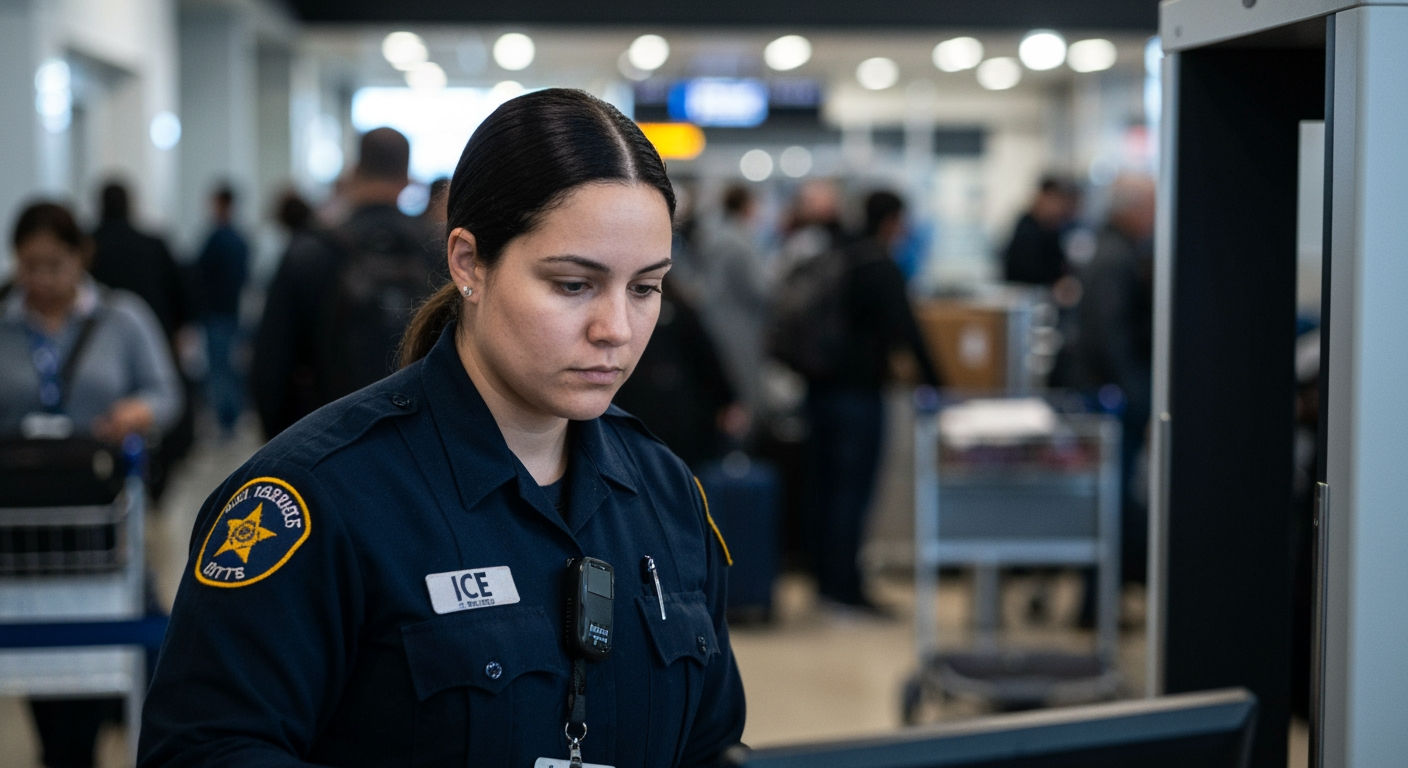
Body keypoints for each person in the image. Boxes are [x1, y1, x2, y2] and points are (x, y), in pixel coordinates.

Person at [138, 89, 745, 767]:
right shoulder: (319, 499)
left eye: (645, 287)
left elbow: (711, 742)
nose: (617, 330)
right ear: (468, 263)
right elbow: (204, 751)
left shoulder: (666, 494)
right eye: (573, 285)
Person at [0, 201, 183, 768]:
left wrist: (135, 412)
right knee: (44, 658)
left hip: (101, 514)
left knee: (105, 654)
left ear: (82, 256)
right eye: (31, 266)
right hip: (23, 525)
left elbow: (167, 394)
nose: (43, 280)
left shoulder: (122, 318)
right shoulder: (4, 324)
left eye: (55, 264)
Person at [249, 128, 439, 440]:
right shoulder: (440, 252)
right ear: (407, 178)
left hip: (328, 440)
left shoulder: (310, 251)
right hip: (422, 441)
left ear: (354, 173)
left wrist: (282, 445)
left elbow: (270, 364)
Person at [804, 190, 940, 612]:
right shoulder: (880, 265)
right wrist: (940, 386)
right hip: (858, 396)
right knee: (852, 495)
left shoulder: (839, 254)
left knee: (827, 491)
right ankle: (846, 592)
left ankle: (826, 584)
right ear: (893, 221)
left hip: (820, 391)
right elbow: (907, 332)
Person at [88, 181, 197, 498]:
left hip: (104, 356)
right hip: (155, 343)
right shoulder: (153, 243)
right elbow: (183, 296)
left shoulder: (91, 246)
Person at [1074, 175, 1156, 585]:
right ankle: (1097, 600)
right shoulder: (1115, 258)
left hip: (1113, 393)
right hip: (1114, 399)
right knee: (1111, 499)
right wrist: (1137, 396)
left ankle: (1101, 599)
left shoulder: (1115, 253)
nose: (1156, 217)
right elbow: (1110, 336)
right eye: (1151, 207)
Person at [612, 276, 745, 467]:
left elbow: (706, 359)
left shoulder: (679, 311)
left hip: (672, 421)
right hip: (646, 419)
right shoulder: (675, 308)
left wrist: (728, 400)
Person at [699, 185, 770, 420]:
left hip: (716, 321)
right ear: (746, 206)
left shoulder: (713, 236)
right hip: (739, 328)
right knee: (744, 393)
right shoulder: (739, 243)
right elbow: (759, 289)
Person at [195, 184, 250, 436]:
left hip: (217, 313)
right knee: (229, 367)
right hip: (232, 311)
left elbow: (200, 273)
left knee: (219, 370)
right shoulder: (240, 239)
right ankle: (232, 419)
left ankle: (226, 422)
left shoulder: (217, 238)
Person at [1002, 176, 1081, 286]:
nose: (1058, 208)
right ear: (1042, 197)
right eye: (1054, 200)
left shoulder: (1054, 231)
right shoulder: (1027, 230)